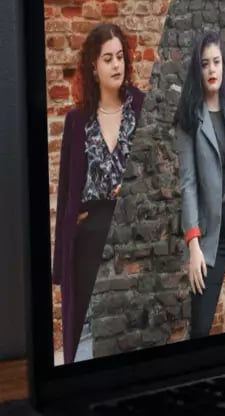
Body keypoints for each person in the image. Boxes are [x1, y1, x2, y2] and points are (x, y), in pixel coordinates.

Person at [53, 23, 145, 364]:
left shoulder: (142, 108)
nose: (116, 65)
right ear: (93, 66)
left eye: (120, 57)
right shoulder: (77, 121)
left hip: (131, 239)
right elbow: (66, 193)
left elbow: (161, 173)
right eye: (108, 59)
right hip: (88, 241)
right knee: (87, 345)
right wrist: (63, 258)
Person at [174, 31, 225, 338]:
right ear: (198, 69)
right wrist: (193, 247)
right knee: (202, 327)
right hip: (211, 242)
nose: (212, 70)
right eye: (205, 64)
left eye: (216, 62)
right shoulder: (189, 118)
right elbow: (188, 185)